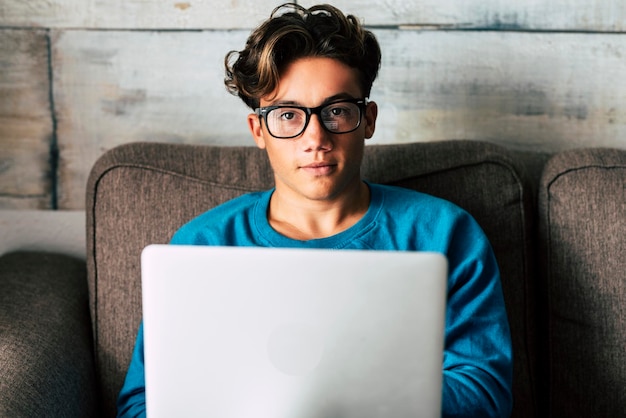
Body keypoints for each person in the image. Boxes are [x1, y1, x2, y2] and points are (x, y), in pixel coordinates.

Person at [117, 3, 513, 417]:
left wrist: (337, 403)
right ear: (258, 131)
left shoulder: (445, 234)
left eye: (337, 111)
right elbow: (142, 404)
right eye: (288, 115)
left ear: (368, 120)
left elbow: (485, 394)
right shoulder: (198, 247)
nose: (316, 138)